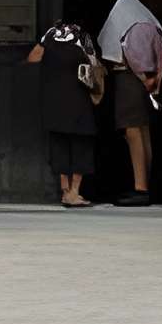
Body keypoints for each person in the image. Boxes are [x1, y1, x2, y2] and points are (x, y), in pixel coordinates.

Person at [24, 12, 107, 209]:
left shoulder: (50, 34)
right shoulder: (83, 37)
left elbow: (33, 58)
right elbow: (94, 65)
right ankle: (74, 192)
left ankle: (64, 191)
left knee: (59, 141)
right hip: (77, 98)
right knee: (81, 143)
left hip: (54, 98)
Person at [95, 0, 162, 207]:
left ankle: (141, 188)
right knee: (141, 131)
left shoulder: (132, 26)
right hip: (137, 82)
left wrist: (145, 77)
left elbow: (138, 58)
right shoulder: (145, 21)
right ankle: (144, 185)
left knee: (133, 132)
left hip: (130, 80)